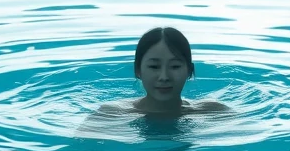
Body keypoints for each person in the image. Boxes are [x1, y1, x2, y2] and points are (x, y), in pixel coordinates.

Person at [98, 26, 229, 117]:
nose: (164, 77)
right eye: (154, 67)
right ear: (138, 70)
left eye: (175, 67)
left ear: (189, 71)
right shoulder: (111, 114)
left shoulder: (214, 112)